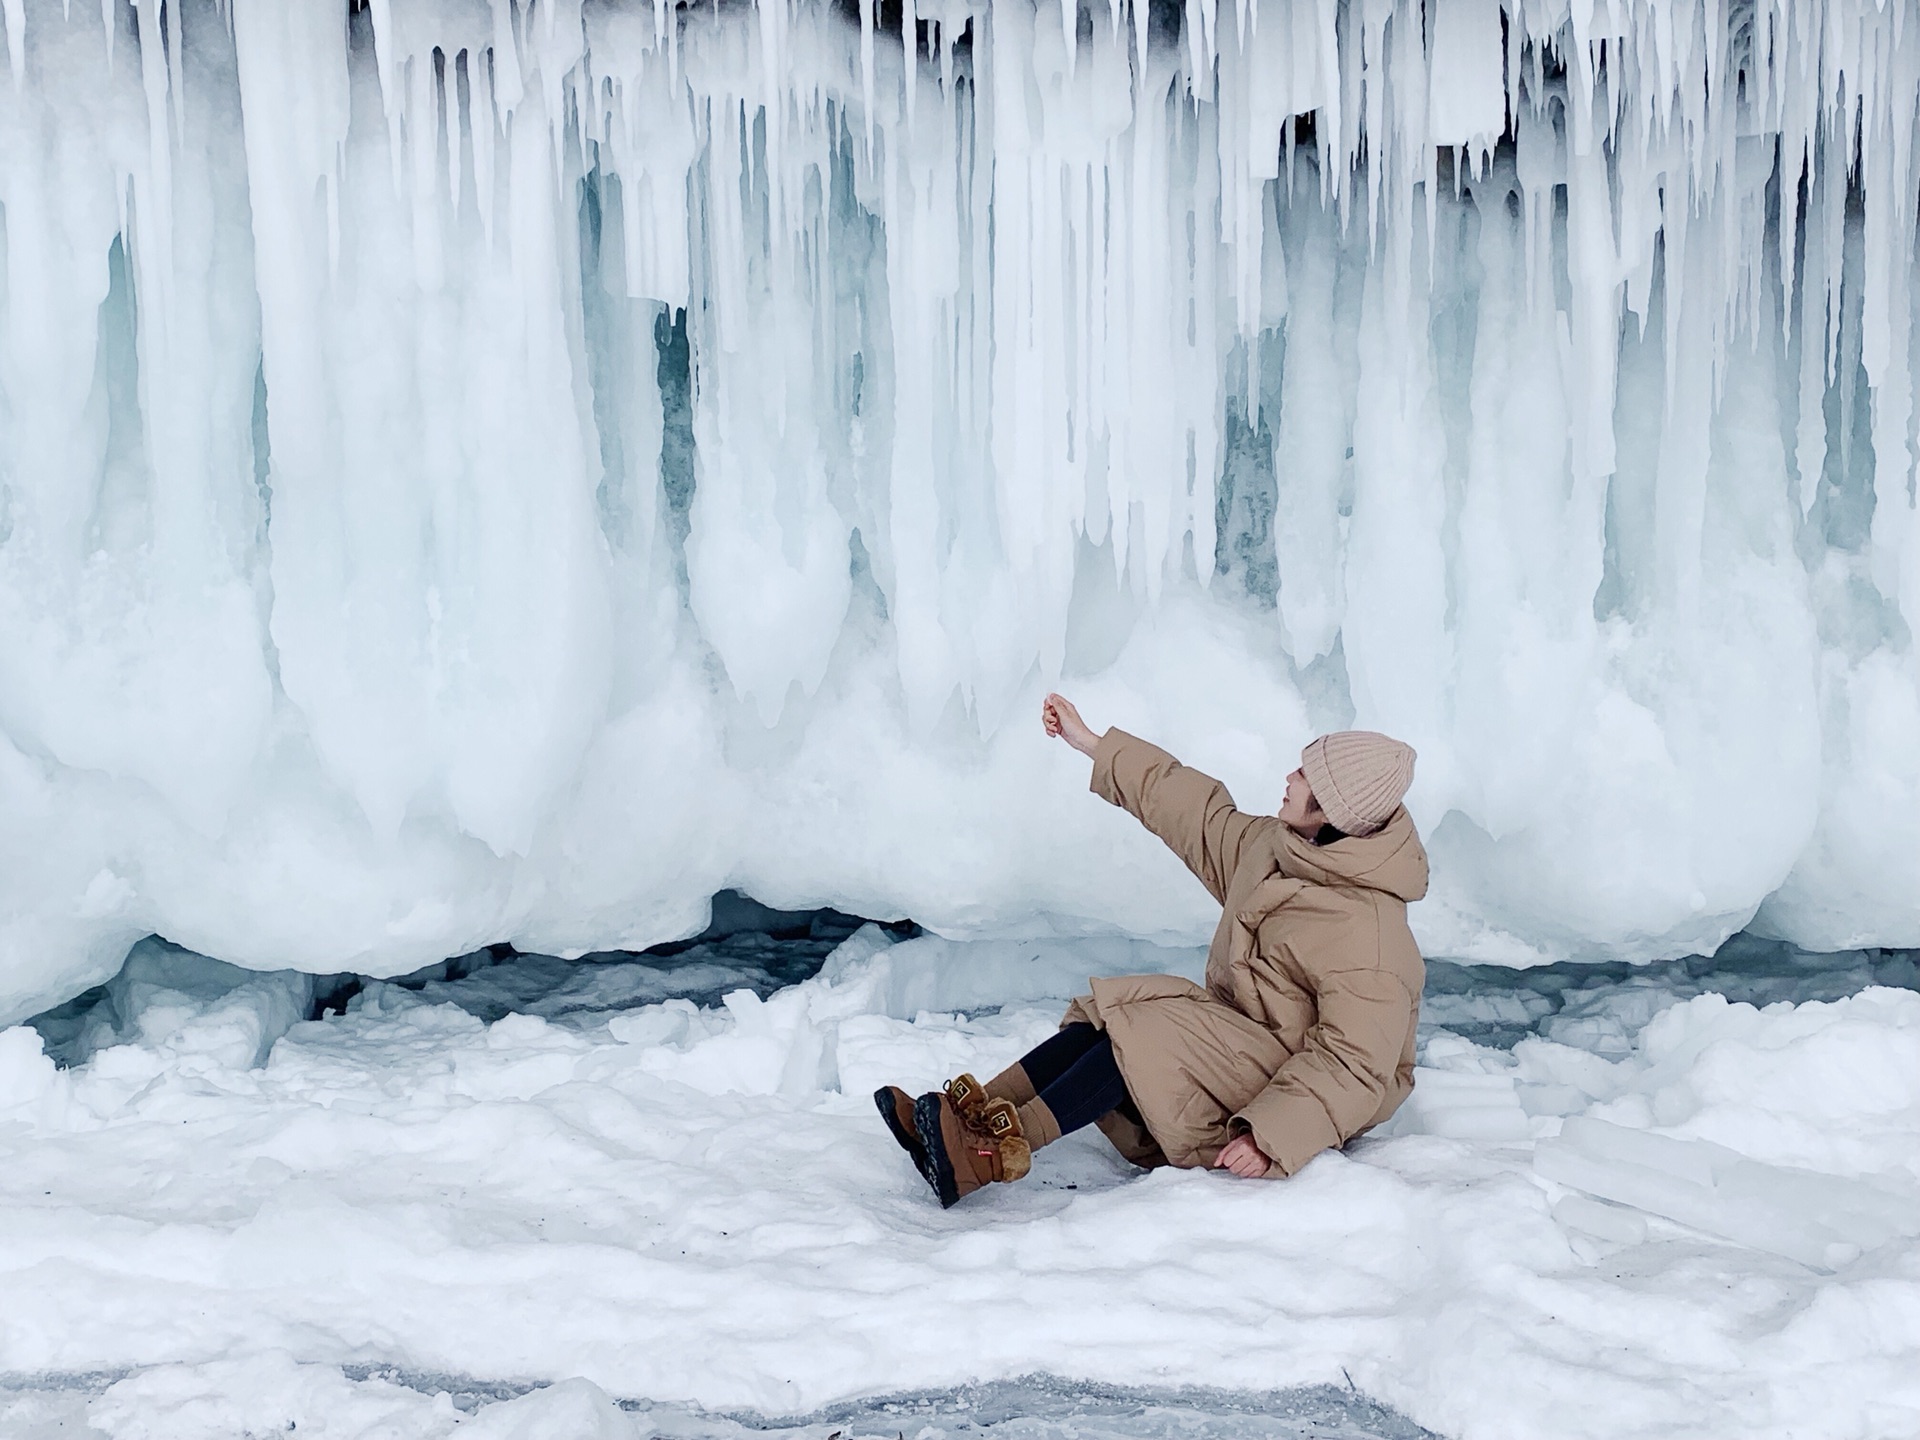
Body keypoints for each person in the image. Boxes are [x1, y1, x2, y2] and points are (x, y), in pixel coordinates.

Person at [876, 694, 1430, 1208]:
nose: (1290, 776)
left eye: (1307, 775)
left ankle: (987, 1155)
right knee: (1110, 1013)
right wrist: (1094, 744)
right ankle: (965, 1119)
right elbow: (1194, 811)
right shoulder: (1279, 848)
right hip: (1244, 1045)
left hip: (1295, 1093)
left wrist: (1272, 1135)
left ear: (1335, 812)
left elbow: (1356, 1067)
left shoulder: (1371, 935)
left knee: (1146, 1036)